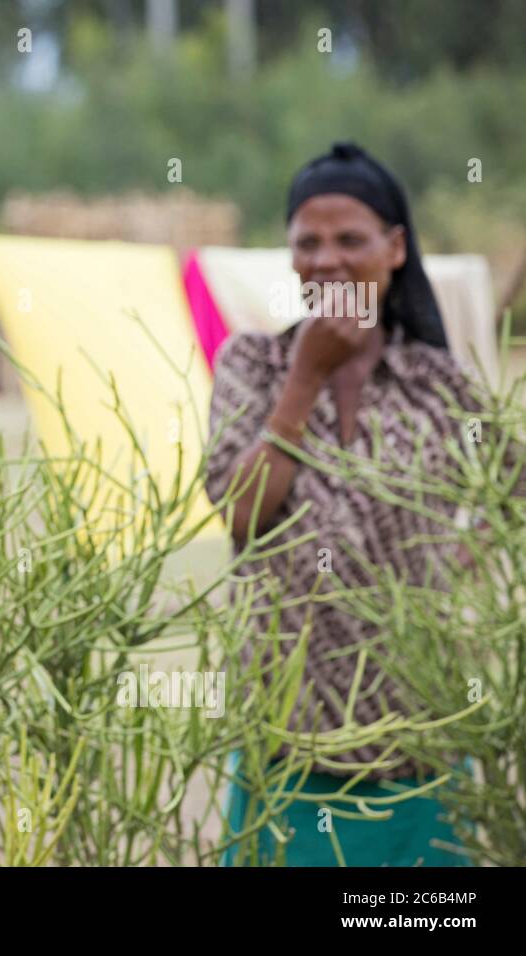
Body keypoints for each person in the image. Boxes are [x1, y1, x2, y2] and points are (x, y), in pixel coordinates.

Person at [205, 142, 477, 866]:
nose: (327, 259)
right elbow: (241, 512)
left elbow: (507, 492)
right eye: (307, 242)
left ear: (395, 249)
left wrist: (462, 558)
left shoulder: (438, 382)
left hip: (424, 739)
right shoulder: (252, 364)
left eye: (350, 240)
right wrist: (304, 382)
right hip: (293, 746)